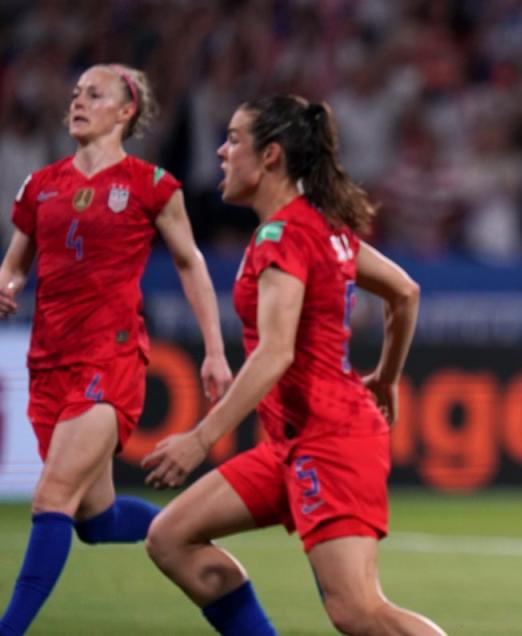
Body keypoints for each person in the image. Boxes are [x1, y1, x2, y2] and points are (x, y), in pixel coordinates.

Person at [141, 95, 445, 636]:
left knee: (358, 611)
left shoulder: (281, 236)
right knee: (170, 538)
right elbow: (404, 292)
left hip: (330, 440)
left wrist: (200, 438)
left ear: (271, 157)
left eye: (234, 139)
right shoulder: (320, 227)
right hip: (292, 443)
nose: (221, 151)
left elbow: (275, 352)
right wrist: (387, 378)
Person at [0, 63, 232, 635]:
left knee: (52, 493)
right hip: (48, 362)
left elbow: (191, 264)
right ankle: (182, 527)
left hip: (111, 358)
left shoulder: (153, 186)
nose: (78, 101)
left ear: (126, 111)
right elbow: (15, 264)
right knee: (93, 519)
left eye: (94, 94)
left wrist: (214, 350)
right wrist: (4, 287)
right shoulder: (40, 185)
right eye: (75, 92)